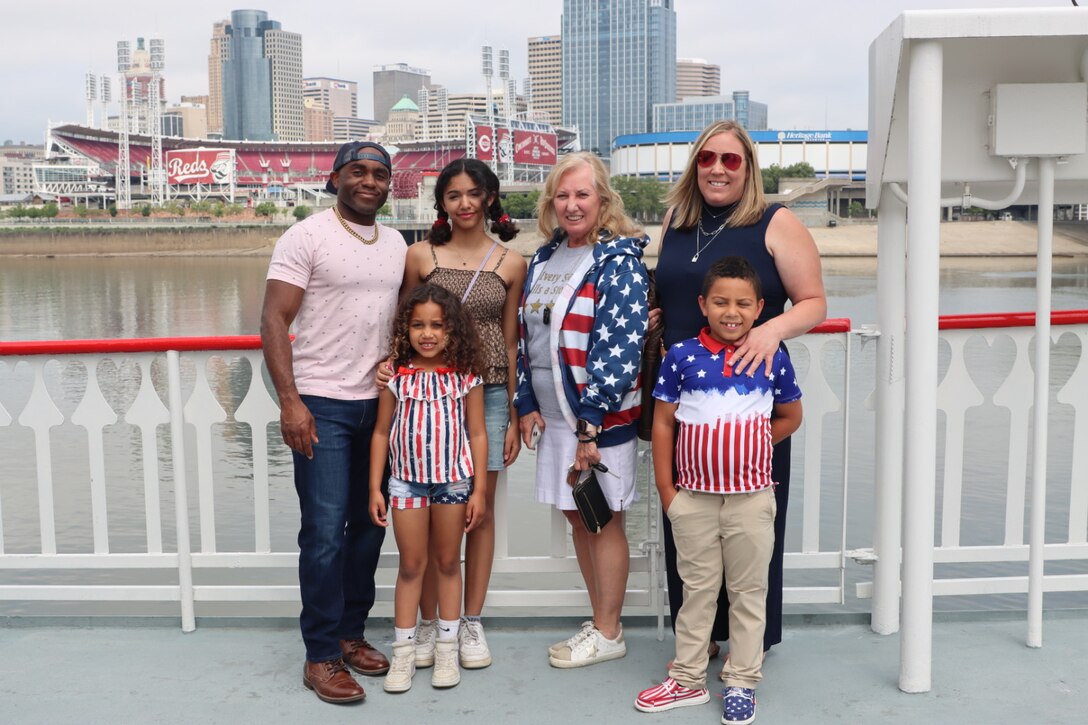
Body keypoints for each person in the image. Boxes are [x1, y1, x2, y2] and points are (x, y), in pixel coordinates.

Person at [650, 120, 826, 665]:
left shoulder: (776, 221)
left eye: (731, 159)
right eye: (707, 159)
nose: (718, 169)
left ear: (748, 168)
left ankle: (748, 649)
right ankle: (697, 643)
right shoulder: (677, 220)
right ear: (694, 166)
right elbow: (673, 293)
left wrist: (770, 330)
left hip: (752, 401)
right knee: (691, 532)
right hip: (685, 398)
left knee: (751, 532)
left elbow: (814, 301)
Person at [260, 141, 403, 704]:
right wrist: (290, 400)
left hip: (382, 407)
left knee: (370, 526)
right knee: (323, 533)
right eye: (358, 172)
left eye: (380, 174)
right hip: (322, 403)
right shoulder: (306, 236)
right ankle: (319, 654)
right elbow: (274, 317)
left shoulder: (395, 243)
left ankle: (349, 634)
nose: (370, 181)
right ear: (336, 178)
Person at [635, 257, 802, 725]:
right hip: (694, 499)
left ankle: (743, 681)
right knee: (698, 590)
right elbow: (664, 422)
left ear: (760, 308)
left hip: (751, 498)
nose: (732, 312)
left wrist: (748, 442)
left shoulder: (772, 356)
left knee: (750, 591)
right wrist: (669, 493)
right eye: (722, 302)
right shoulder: (681, 356)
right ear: (703, 305)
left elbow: (791, 415)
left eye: (743, 303)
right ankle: (687, 679)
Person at [514, 152, 650, 668]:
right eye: (562, 196)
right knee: (578, 516)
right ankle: (600, 622)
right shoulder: (544, 259)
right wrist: (526, 402)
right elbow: (528, 339)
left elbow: (620, 347)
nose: (571, 205)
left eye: (582, 195)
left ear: (603, 201)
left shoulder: (618, 263)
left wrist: (592, 424)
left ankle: (610, 631)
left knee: (604, 520)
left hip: (595, 420)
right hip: (553, 417)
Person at [395, 158, 527, 671]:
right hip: (428, 397)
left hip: (487, 393)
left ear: (491, 198)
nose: (465, 203)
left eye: (475, 193)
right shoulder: (420, 256)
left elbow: (513, 343)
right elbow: (404, 330)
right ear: (442, 204)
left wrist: (515, 411)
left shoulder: (512, 263)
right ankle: (430, 622)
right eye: (454, 195)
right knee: (428, 512)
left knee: (480, 510)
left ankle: (470, 622)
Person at [368, 284, 488, 693]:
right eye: (418, 325)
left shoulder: (465, 378)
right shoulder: (396, 377)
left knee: (449, 563)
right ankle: (403, 654)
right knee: (411, 566)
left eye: (438, 325)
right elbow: (382, 432)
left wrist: (479, 490)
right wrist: (375, 487)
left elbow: (477, 432)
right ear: (406, 330)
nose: (428, 333)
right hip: (405, 483)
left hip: (453, 482)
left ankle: (446, 649)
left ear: (453, 330)